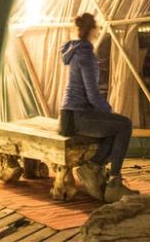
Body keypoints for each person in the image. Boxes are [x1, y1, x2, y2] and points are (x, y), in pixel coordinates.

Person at [59, 12, 139, 202]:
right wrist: (108, 111)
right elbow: (92, 94)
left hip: (69, 115)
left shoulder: (74, 49)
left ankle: (92, 167)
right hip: (78, 116)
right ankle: (114, 183)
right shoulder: (85, 53)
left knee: (114, 127)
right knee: (124, 124)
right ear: (93, 30)